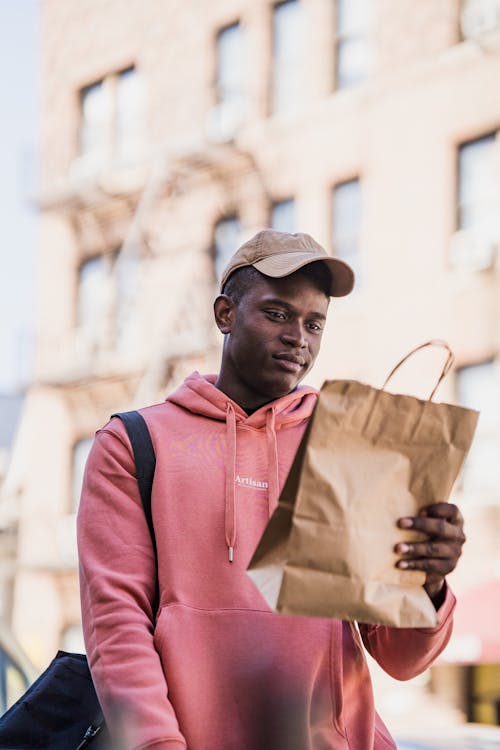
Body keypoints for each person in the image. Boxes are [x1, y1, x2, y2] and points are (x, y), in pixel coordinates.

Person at [77, 229, 465, 750]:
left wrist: (430, 587)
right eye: (278, 314)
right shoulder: (135, 442)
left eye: (314, 323)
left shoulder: (351, 448)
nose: (298, 337)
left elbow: (400, 657)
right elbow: (116, 626)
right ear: (225, 315)